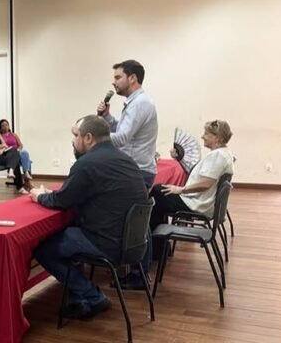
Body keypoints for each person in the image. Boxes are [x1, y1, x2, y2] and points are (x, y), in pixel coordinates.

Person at [30, 116, 149, 321]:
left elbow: (61, 200)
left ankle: (91, 296)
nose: (73, 141)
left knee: (45, 250)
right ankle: (79, 299)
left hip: (107, 244)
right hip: (134, 244)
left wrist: (39, 195)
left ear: (88, 138)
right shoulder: (125, 160)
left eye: (75, 135)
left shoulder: (87, 163)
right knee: (69, 237)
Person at [96, 58, 158, 287]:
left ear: (132, 78)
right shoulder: (135, 102)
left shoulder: (140, 103)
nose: (114, 83)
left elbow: (121, 139)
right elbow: (122, 130)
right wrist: (108, 119)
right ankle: (138, 270)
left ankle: (140, 274)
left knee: (137, 222)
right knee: (137, 220)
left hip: (138, 170)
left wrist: (89, 134)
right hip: (137, 169)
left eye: (118, 77)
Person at [150, 119, 233, 229]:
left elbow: (206, 184)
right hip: (201, 202)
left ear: (217, 137)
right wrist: (178, 159)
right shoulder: (225, 153)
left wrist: (181, 189)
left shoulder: (217, 156)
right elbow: (199, 174)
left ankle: (157, 241)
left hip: (197, 204)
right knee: (160, 193)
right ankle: (160, 240)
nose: (203, 136)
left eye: (206, 134)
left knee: (157, 192)